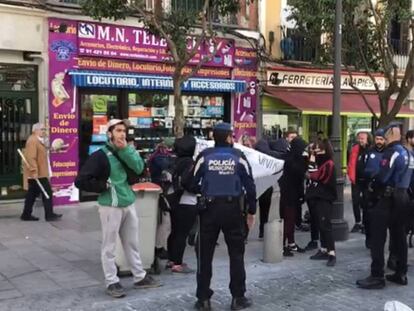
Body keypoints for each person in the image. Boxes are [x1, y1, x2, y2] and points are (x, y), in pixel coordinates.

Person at [75, 119, 160, 298]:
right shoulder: (100, 155)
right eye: (118, 130)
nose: (122, 134)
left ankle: (139, 276)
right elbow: (81, 180)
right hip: (110, 206)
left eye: (124, 131)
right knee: (109, 246)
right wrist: (102, 186)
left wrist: (127, 149)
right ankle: (111, 281)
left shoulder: (126, 150)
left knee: (132, 243)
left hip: (128, 201)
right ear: (110, 133)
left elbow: (139, 168)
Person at [191, 123, 256, 311]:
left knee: (204, 256)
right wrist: (251, 210)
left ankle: (203, 299)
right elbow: (250, 185)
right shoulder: (239, 157)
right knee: (236, 254)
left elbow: (191, 181)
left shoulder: (205, 156)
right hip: (232, 209)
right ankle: (238, 297)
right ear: (228, 137)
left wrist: (203, 190)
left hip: (209, 210)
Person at [357, 123, 413, 289]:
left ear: (391, 134)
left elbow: (382, 176)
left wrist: (372, 187)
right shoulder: (409, 153)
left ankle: (377, 276)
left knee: (377, 237)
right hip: (404, 197)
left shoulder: (392, 152)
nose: (384, 137)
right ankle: (401, 272)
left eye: (386, 134)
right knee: (399, 236)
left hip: (388, 198)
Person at [166, 135, 198, 273]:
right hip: (187, 201)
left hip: (174, 200)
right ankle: (177, 263)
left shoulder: (175, 161)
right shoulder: (190, 163)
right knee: (182, 233)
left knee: (175, 231)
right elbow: (188, 183)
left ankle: (172, 259)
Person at [21, 123, 62, 221]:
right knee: (47, 192)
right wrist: (34, 171)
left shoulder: (39, 141)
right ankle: (49, 215)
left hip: (39, 173)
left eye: (44, 129)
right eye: (42, 129)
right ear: (35, 130)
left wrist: (52, 149)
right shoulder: (33, 141)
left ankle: (26, 214)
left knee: (31, 195)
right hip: (38, 174)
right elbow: (31, 157)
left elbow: (42, 153)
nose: (44, 131)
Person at [306, 139, 337, 267]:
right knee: (320, 225)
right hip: (316, 198)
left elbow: (314, 175)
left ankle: (331, 253)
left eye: (318, 149)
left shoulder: (328, 164)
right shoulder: (322, 163)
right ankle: (324, 249)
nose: (316, 151)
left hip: (324, 199)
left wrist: (312, 159)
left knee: (325, 226)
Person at [278, 137, 308, 256]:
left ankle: (291, 243)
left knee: (290, 219)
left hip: (289, 194)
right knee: (288, 220)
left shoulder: (289, 158)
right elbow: (300, 174)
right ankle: (283, 246)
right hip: (290, 194)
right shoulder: (294, 161)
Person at [363, 129, 386, 249]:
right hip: (369, 188)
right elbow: (363, 168)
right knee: (368, 215)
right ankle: (369, 238)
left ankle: (379, 239)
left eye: (381, 139)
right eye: (377, 139)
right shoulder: (369, 152)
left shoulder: (388, 153)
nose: (379, 141)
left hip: (382, 189)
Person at [347, 130, 371, 233]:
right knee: (355, 201)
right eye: (359, 138)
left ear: (367, 139)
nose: (360, 140)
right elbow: (351, 162)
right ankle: (358, 222)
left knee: (366, 202)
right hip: (356, 179)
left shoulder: (371, 150)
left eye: (362, 139)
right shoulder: (355, 148)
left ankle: (366, 224)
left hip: (366, 181)